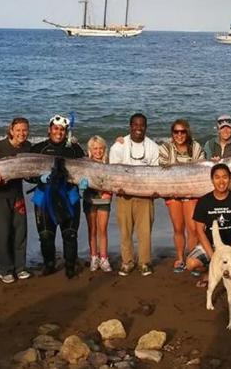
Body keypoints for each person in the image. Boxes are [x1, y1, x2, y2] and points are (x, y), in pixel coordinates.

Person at [30, 114, 85, 279]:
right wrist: (38, 178)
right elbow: (26, 174)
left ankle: (70, 265)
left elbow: (85, 170)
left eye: (62, 129)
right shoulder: (38, 149)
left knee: (70, 234)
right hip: (44, 197)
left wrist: (84, 182)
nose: (59, 132)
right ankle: (49, 264)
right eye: (55, 129)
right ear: (49, 130)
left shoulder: (74, 149)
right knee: (46, 235)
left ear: (66, 131)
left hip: (69, 195)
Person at [108, 113, 160, 276]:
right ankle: (127, 262)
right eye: (135, 125)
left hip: (145, 196)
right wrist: (118, 188)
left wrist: (155, 191)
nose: (138, 128)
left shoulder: (153, 147)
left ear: (146, 127)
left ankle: (144, 262)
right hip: (124, 196)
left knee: (144, 232)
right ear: (130, 126)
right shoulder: (118, 146)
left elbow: (156, 173)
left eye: (142, 125)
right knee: (125, 231)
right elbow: (113, 171)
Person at [186, 163, 231, 287]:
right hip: (212, 245)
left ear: (230, 179)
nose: (221, 181)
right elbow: (199, 231)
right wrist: (214, 258)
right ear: (212, 180)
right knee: (191, 264)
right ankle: (209, 272)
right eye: (217, 177)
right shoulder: (204, 201)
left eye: (225, 177)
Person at [0, 118, 33, 282]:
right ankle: (5, 270)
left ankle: (20, 267)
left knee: (20, 231)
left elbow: (30, 172)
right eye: (19, 130)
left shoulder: (28, 147)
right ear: (11, 131)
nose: (22, 133)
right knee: (2, 234)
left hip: (17, 194)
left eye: (25, 130)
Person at [159, 119, 205, 273]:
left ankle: (192, 258)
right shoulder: (166, 148)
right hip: (173, 192)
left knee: (193, 229)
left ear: (187, 132)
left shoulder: (196, 147)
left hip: (191, 192)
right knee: (178, 227)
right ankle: (180, 258)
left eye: (182, 131)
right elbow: (162, 170)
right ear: (172, 133)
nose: (179, 135)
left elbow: (201, 169)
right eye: (176, 132)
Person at [84, 135, 113, 273]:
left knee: (103, 230)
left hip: (104, 200)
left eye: (100, 148)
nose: (98, 151)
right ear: (90, 150)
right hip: (89, 199)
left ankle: (104, 258)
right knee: (92, 230)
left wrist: (109, 192)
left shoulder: (108, 164)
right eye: (95, 148)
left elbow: (113, 180)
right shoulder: (85, 162)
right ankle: (94, 257)